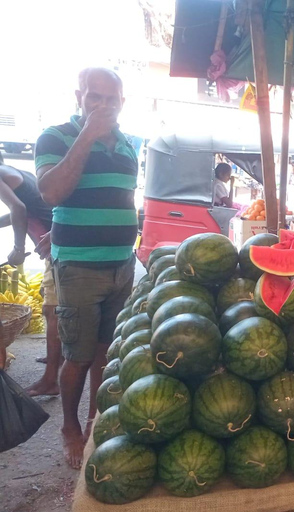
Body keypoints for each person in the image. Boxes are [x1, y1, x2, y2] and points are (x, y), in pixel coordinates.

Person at [35, 68, 138, 469]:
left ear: (122, 103)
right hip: (79, 266)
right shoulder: (56, 136)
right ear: (79, 96)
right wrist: (87, 136)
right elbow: (51, 191)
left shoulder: (128, 144)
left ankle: (97, 420)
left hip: (121, 265)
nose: (103, 105)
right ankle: (70, 428)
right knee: (75, 355)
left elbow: (118, 197)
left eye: (111, 99)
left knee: (104, 353)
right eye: (95, 97)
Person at [0, 154, 61, 396]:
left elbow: (19, 208)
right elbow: (23, 210)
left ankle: (51, 381)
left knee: (53, 309)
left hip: (57, 245)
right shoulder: (11, 171)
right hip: (56, 241)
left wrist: (18, 249)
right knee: (53, 305)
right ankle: (57, 356)